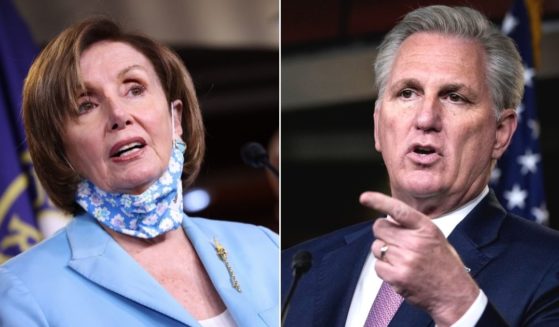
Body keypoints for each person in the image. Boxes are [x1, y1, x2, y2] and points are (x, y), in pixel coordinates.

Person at [282, 5, 559, 327]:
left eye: (455, 97)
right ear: (377, 126)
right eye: (407, 93)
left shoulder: (549, 266)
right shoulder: (297, 267)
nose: (426, 118)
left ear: (501, 133)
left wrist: (457, 305)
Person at [0, 18, 278, 326]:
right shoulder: (21, 291)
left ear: (176, 119)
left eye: (134, 89)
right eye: (86, 105)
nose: (119, 114)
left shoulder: (265, 248)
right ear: (60, 150)